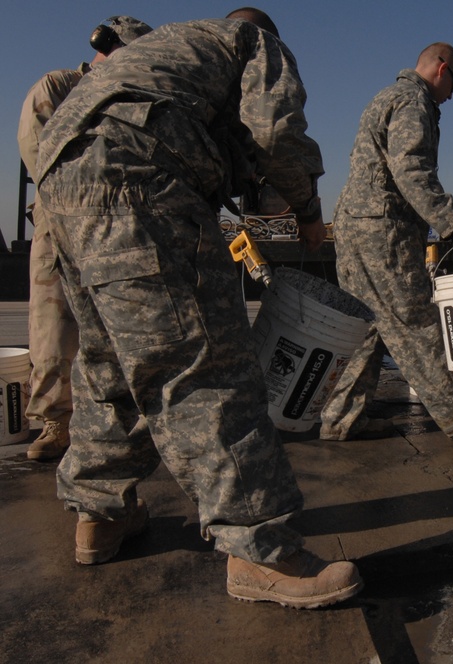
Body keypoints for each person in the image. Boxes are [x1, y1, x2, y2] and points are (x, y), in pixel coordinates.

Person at [34, 8, 362, 609]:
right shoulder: (250, 40)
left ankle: (101, 514)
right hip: (139, 175)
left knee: (109, 364)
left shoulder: (170, 52)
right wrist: (309, 212)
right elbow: (278, 135)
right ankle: (258, 551)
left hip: (59, 184)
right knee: (203, 362)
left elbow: (233, 149)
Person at [320, 42, 453, 442]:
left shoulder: (386, 96)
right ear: (442, 70)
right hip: (382, 230)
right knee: (414, 318)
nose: (452, 95)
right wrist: (452, 222)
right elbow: (411, 168)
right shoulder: (412, 100)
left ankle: (341, 419)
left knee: (368, 325)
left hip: (356, 226)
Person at [17, 16, 152, 462]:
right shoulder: (59, 88)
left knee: (119, 329)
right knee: (54, 327)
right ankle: (56, 420)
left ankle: (115, 420)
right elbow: (39, 154)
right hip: (60, 223)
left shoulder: (129, 98)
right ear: (108, 46)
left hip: (116, 229)